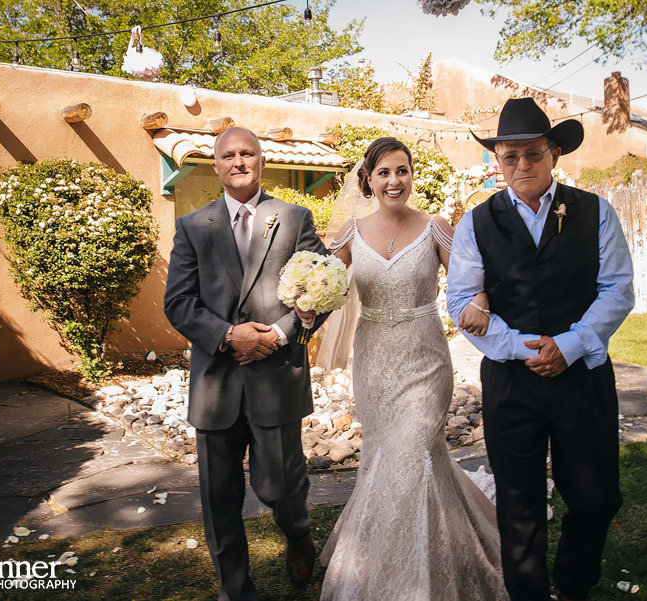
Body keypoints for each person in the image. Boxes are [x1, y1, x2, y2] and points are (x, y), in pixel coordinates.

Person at [447, 97, 635, 601]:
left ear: (554, 153)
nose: (522, 165)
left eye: (532, 154)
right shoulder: (475, 223)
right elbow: (462, 301)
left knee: (597, 498)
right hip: (512, 382)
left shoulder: (595, 211)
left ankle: (573, 586)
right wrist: (525, 347)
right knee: (519, 503)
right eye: (511, 156)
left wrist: (569, 345)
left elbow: (618, 290)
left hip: (582, 377)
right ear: (498, 161)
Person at [318, 137, 509, 601]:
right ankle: (378, 569)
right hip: (374, 363)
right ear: (369, 179)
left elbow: (470, 284)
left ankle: (425, 575)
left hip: (425, 361)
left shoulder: (436, 228)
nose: (394, 181)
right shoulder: (348, 232)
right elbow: (322, 285)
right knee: (385, 457)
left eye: (402, 171)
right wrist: (307, 304)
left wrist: (479, 303)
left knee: (416, 452)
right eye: (384, 172)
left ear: (411, 176)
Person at [163, 127, 329, 600]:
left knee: (281, 487)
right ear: (215, 166)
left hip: (276, 379)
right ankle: (236, 588)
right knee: (220, 500)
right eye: (228, 155)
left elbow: (322, 287)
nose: (238, 161)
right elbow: (178, 302)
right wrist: (227, 335)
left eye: (247, 153)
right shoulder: (193, 228)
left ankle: (298, 534)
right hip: (216, 385)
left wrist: (278, 333)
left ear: (262, 161)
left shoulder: (294, 218)